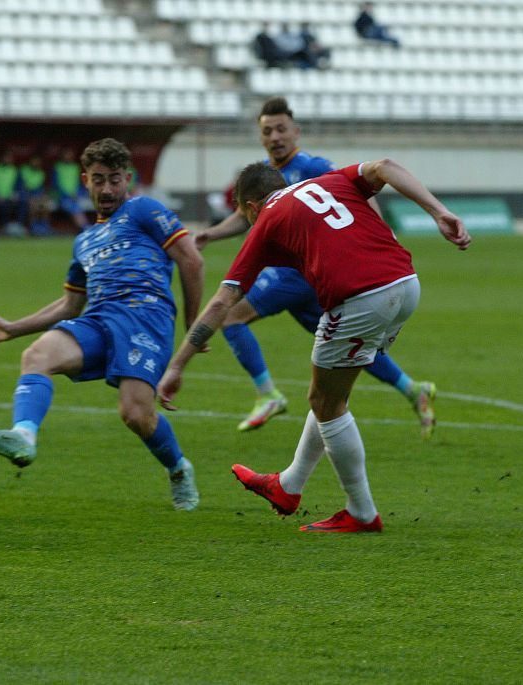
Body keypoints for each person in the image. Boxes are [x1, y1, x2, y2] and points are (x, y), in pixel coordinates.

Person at [158, 160, 470, 533]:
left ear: (252, 207)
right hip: (405, 283)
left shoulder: (268, 218)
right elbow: (385, 166)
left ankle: (361, 513)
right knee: (327, 395)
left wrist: (178, 365)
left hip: (362, 297)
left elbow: (224, 301)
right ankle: (288, 486)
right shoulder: (329, 181)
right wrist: (440, 212)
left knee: (328, 403)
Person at [0, 138, 204, 511]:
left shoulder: (143, 209)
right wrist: (15, 328)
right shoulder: (85, 241)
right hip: (98, 319)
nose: (106, 189)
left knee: (136, 414)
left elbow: (191, 260)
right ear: (84, 181)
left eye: (113, 179)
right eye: (98, 180)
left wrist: (193, 325)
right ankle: (23, 435)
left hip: (145, 316)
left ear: (127, 179)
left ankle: (178, 469)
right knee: (37, 355)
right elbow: (71, 304)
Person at [195, 97, 438, 437]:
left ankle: (268, 394)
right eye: (268, 131)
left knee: (232, 316)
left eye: (281, 129)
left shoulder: (312, 166)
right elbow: (244, 218)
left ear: (296, 132)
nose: (275, 137)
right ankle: (412, 389)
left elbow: (357, 195)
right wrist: (211, 234)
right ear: (261, 136)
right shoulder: (266, 176)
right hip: (315, 278)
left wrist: (384, 236)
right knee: (348, 349)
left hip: (298, 272)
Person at [51, 148, 89, 231]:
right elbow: (55, 185)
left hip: (74, 196)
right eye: (66, 155)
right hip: (62, 197)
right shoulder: (58, 167)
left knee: (77, 206)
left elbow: (78, 183)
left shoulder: (75, 167)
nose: (68, 157)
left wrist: (78, 193)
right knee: (74, 207)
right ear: (62, 156)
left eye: (70, 155)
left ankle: (85, 227)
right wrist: (67, 194)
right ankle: (84, 227)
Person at [0, 149, 23, 235]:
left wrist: (15, 195)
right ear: (2, 158)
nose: (8, 160)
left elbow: (17, 185)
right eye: (6, 158)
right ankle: (4, 227)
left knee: (22, 203)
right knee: (2, 206)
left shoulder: (14, 170)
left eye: (9, 158)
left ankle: (19, 227)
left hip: (10, 196)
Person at [19, 154, 52, 236]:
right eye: (35, 161)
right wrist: (30, 196)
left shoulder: (41, 173)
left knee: (44, 203)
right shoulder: (24, 170)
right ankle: (33, 227)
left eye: (38, 162)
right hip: (24, 195)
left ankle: (45, 226)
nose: (36, 163)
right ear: (30, 161)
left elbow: (40, 189)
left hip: (36, 196)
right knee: (33, 204)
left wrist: (41, 197)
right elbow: (21, 186)